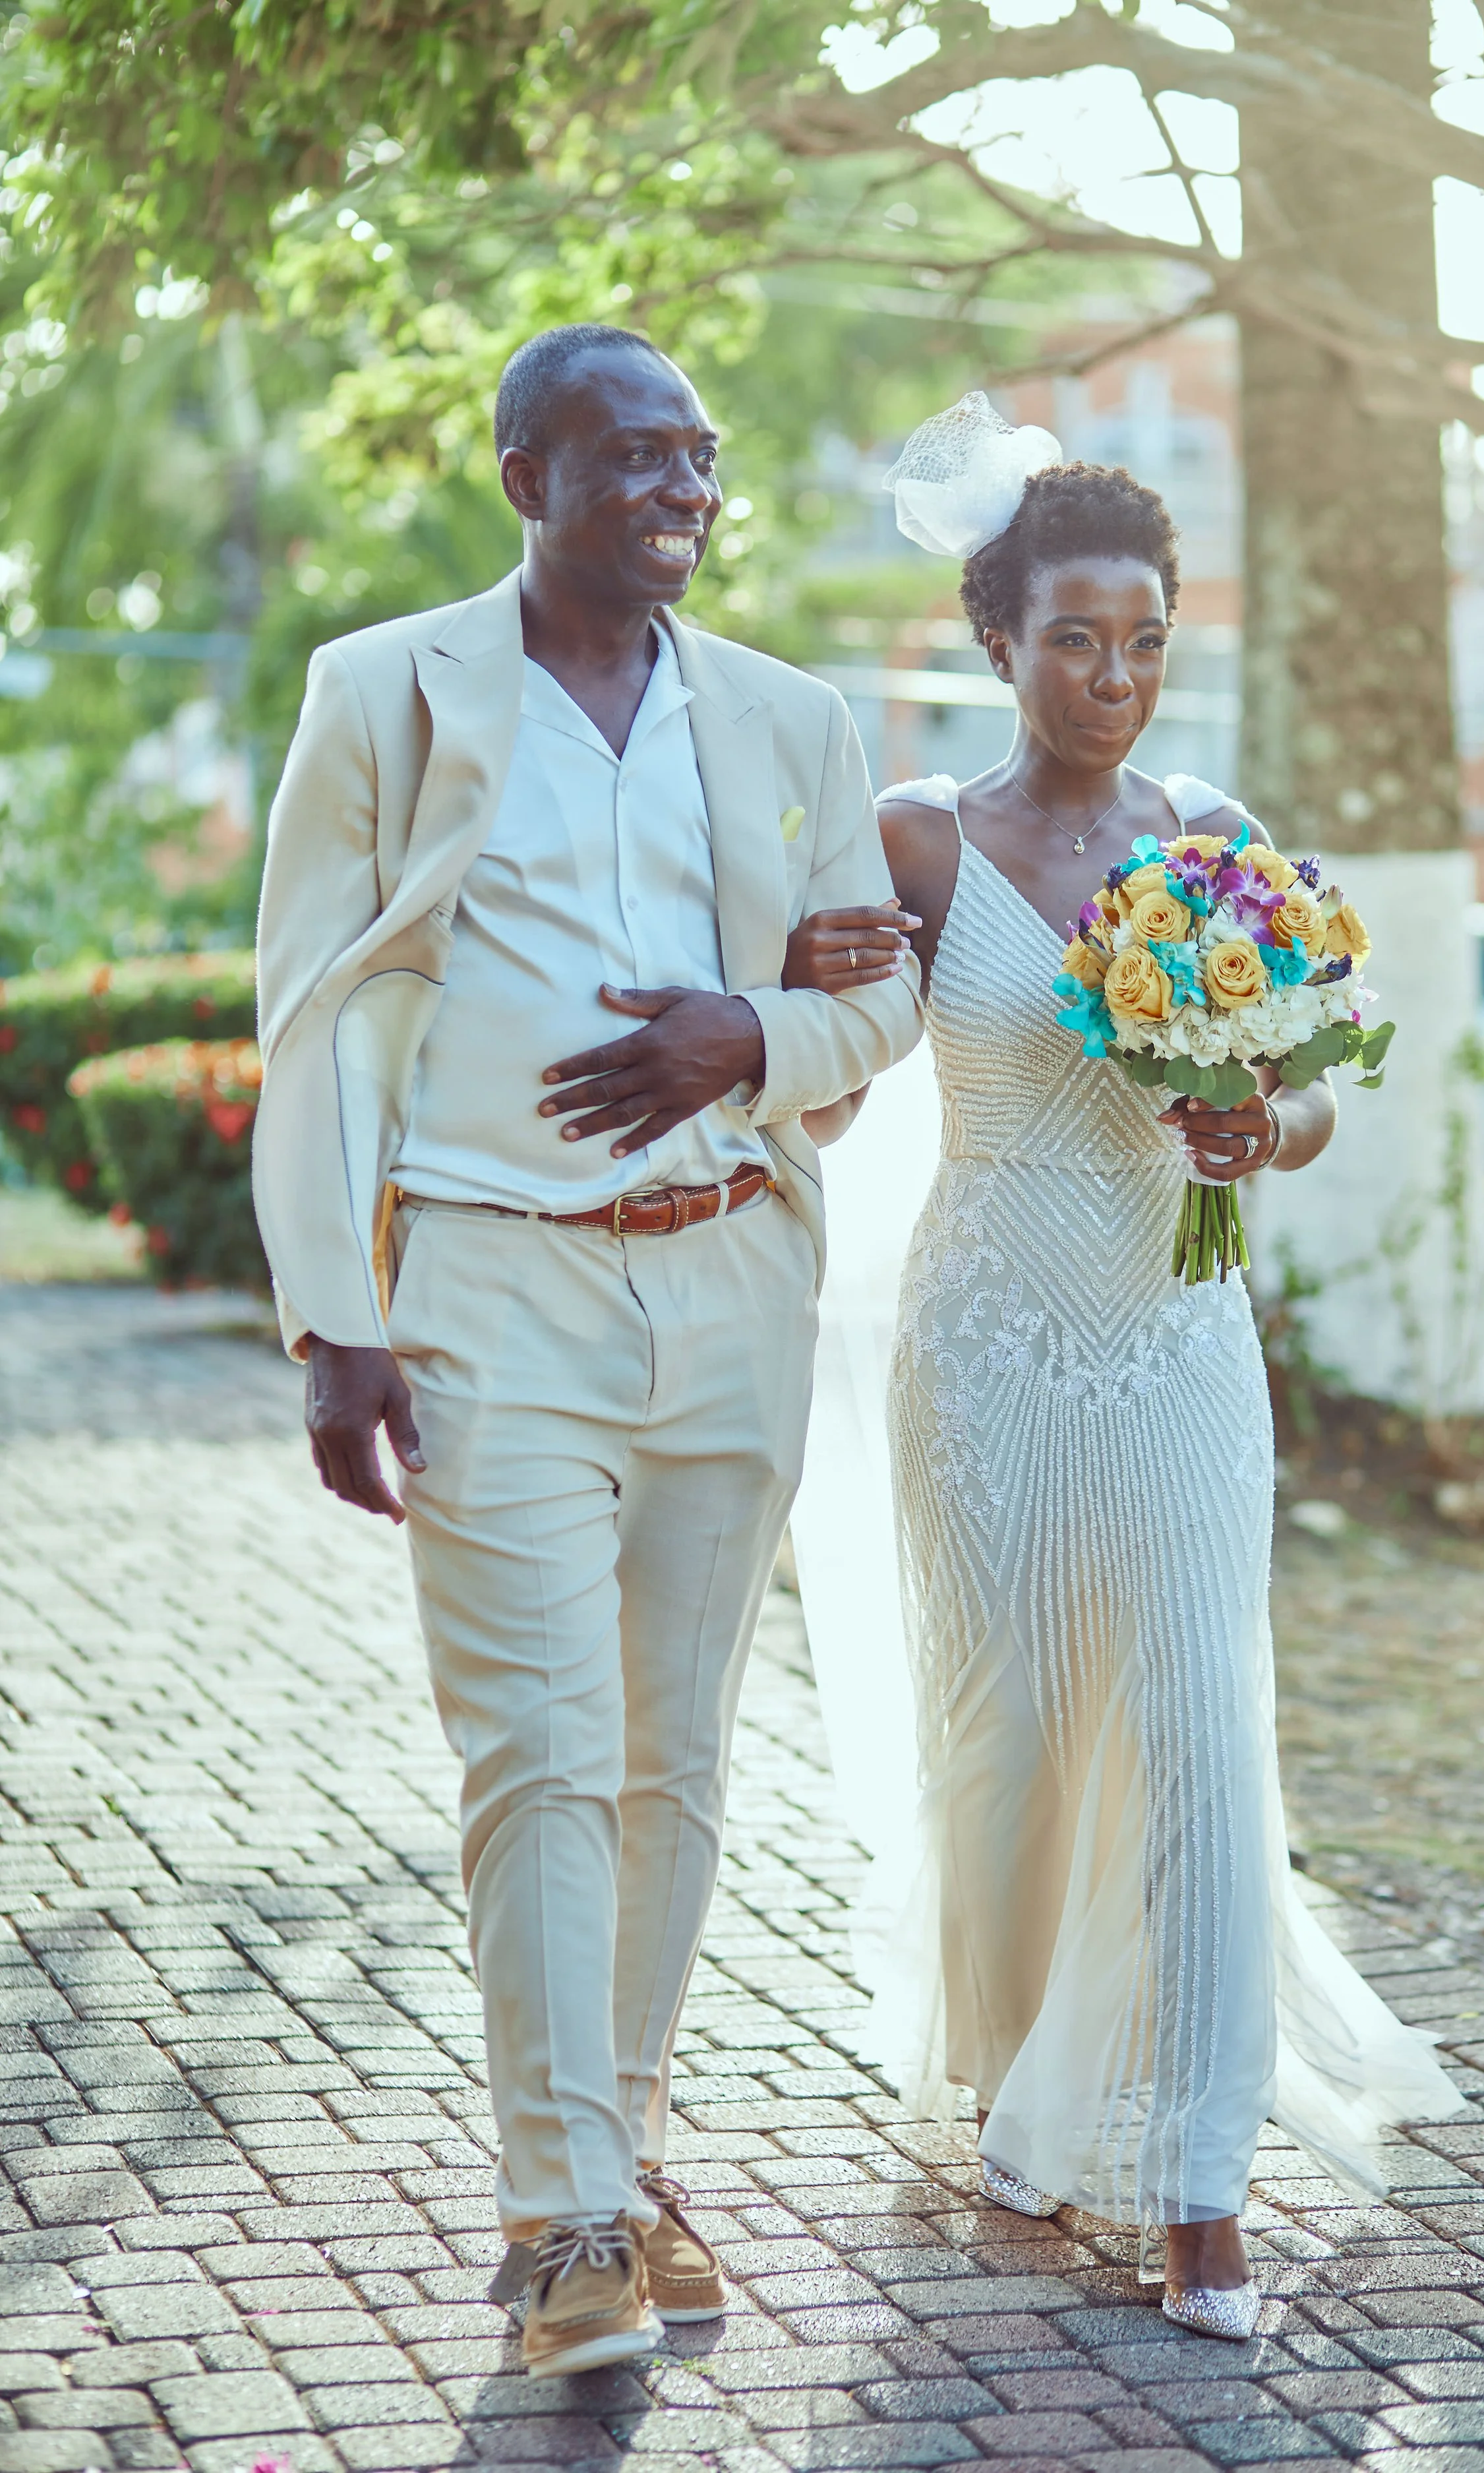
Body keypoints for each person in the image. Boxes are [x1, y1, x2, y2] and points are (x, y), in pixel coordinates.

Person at [251, 324, 922, 2379]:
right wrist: (331, 1320)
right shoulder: (386, 690)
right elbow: (309, 1012)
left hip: (732, 1272)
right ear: (525, 473)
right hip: (489, 1284)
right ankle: (561, 2217)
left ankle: (619, 2154)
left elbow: (871, 1005)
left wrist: (755, 1034)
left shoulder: (796, 721)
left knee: (672, 1760)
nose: (682, 489)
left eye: (700, 458)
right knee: (535, 1754)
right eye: (634, 454)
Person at [783, 398, 1463, 2342]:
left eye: (1146, 635)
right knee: (1002, 1732)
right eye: (1074, 635)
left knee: (1184, 1731)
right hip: (982, 1337)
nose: (1113, 672)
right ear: (994, 641)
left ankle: (1191, 2177)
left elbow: (1312, 1104)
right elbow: (833, 1105)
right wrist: (801, 987)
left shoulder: (1216, 848)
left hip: (1175, 1331)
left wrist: (1264, 1128)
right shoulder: (920, 842)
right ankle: (1021, 2077)